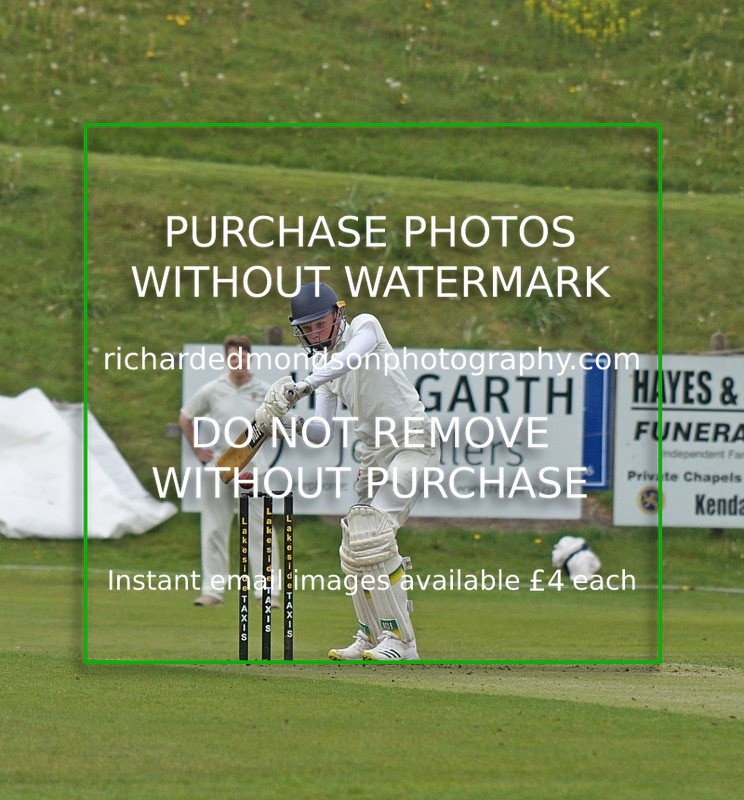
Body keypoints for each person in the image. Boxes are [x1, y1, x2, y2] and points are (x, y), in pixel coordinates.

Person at [255, 283, 440, 660]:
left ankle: (402, 641)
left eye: (320, 324)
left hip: (412, 443)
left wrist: (302, 387)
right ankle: (372, 635)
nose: (315, 333)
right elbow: (321, 431)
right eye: (308, 328)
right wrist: (288, 423)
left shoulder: (366, 328)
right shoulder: (321, 366)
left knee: (375, 531)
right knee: (355, 543)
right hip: (374, 455)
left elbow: (350, 359)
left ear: (338, 314)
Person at [180, 335, 279, 607]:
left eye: (243, 357)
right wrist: (199, 450)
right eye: (234, 358)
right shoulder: (214, 389)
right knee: (214, 528)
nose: (239, 363)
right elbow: (186, 416)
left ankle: (267, 591)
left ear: (250, 359)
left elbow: (277, 424)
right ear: (227, 360)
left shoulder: (264, 391)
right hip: (220, 467)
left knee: (260, 529)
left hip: (253, 468)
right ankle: (212, 591)